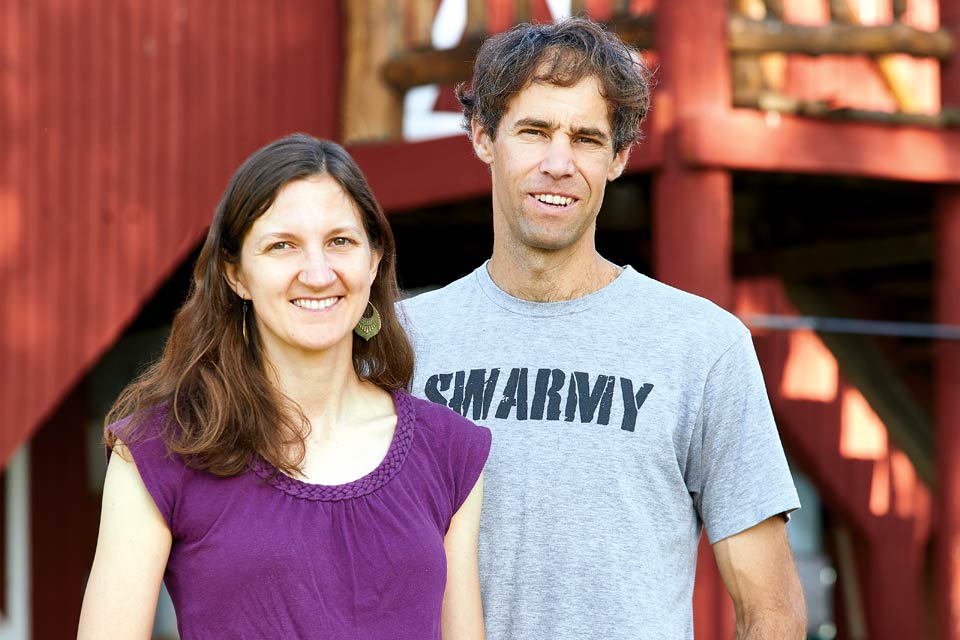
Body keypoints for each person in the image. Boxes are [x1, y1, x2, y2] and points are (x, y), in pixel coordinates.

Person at [400, 17, 805, 639]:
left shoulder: (702, 345)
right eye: (533, 131)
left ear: (618, 158)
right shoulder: (406, 341)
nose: (558, 163)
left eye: (586, 139)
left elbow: (770, 610)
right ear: (484, 136)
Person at [78, 134, 490, 640]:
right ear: (236, 276)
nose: (318, 274)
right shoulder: (162, 448)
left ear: (374, 259)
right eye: (282, 245)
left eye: (340, 241)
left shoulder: (448, 449)